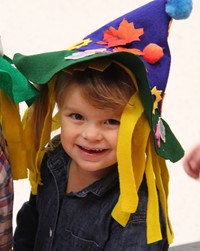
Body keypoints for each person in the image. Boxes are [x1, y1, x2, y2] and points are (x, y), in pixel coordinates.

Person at [12, 0, 192, 250]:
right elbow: (32, 220)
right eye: (77, 116)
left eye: (111, 121)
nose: (91, 134)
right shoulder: (53, 159)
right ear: (59, 110)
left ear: (138, 128)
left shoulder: (134, 216)